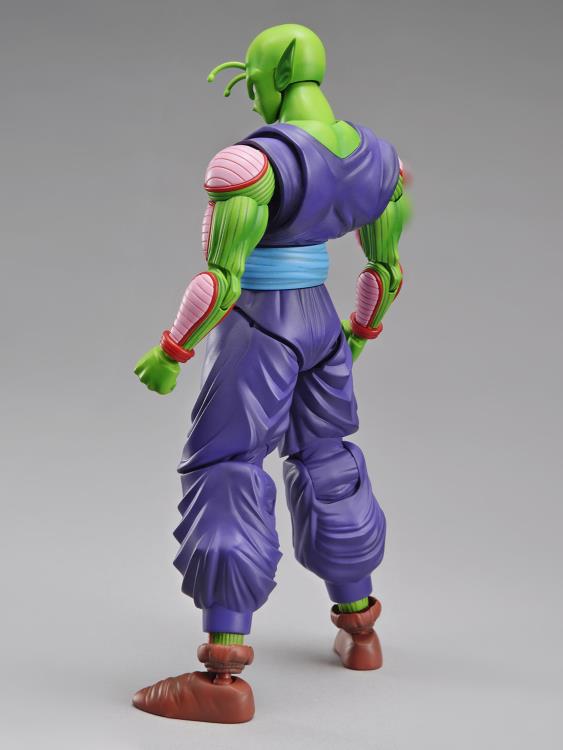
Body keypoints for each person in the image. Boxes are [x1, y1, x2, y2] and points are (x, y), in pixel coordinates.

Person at [133, 23, 411, 723]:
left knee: (227, 467)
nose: (250, 94)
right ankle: (360, 627)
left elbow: (220, 281)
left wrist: (171, 352)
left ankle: (221, 674)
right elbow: (384, 271)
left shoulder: (252, 164)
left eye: (251, 80)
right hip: (321, 321)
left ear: (273, 77)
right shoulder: (380, 160)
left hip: (260, 324)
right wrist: (358, 335)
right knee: (328, 457)